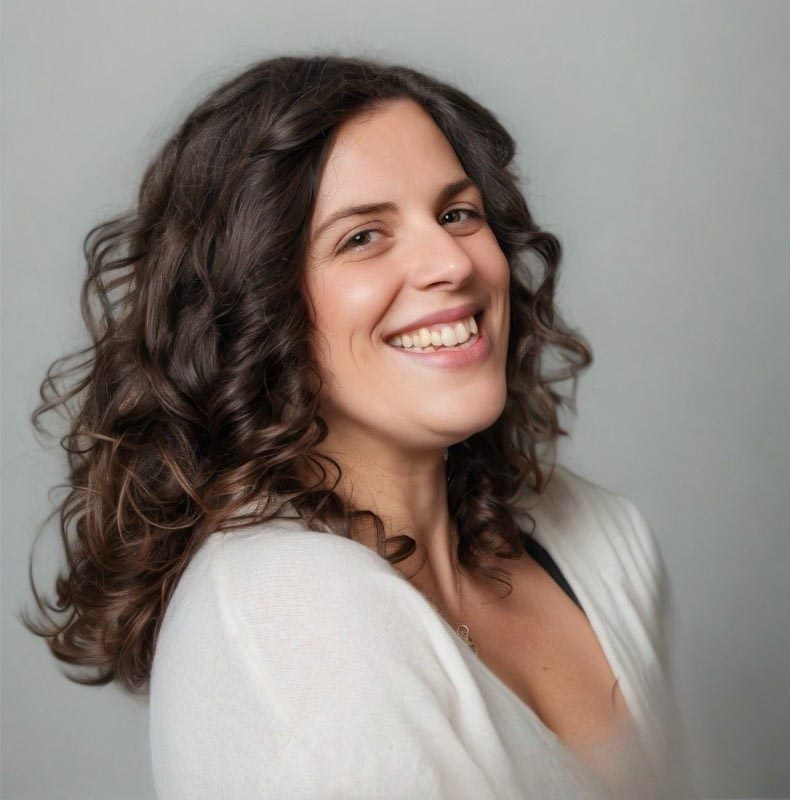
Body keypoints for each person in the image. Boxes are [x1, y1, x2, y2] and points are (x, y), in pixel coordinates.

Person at [23, 54, 689, 798]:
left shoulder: (601, 538)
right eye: (362, 237)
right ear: (257, 305)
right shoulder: (287, 617)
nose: (450, 263)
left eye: (456, 213)